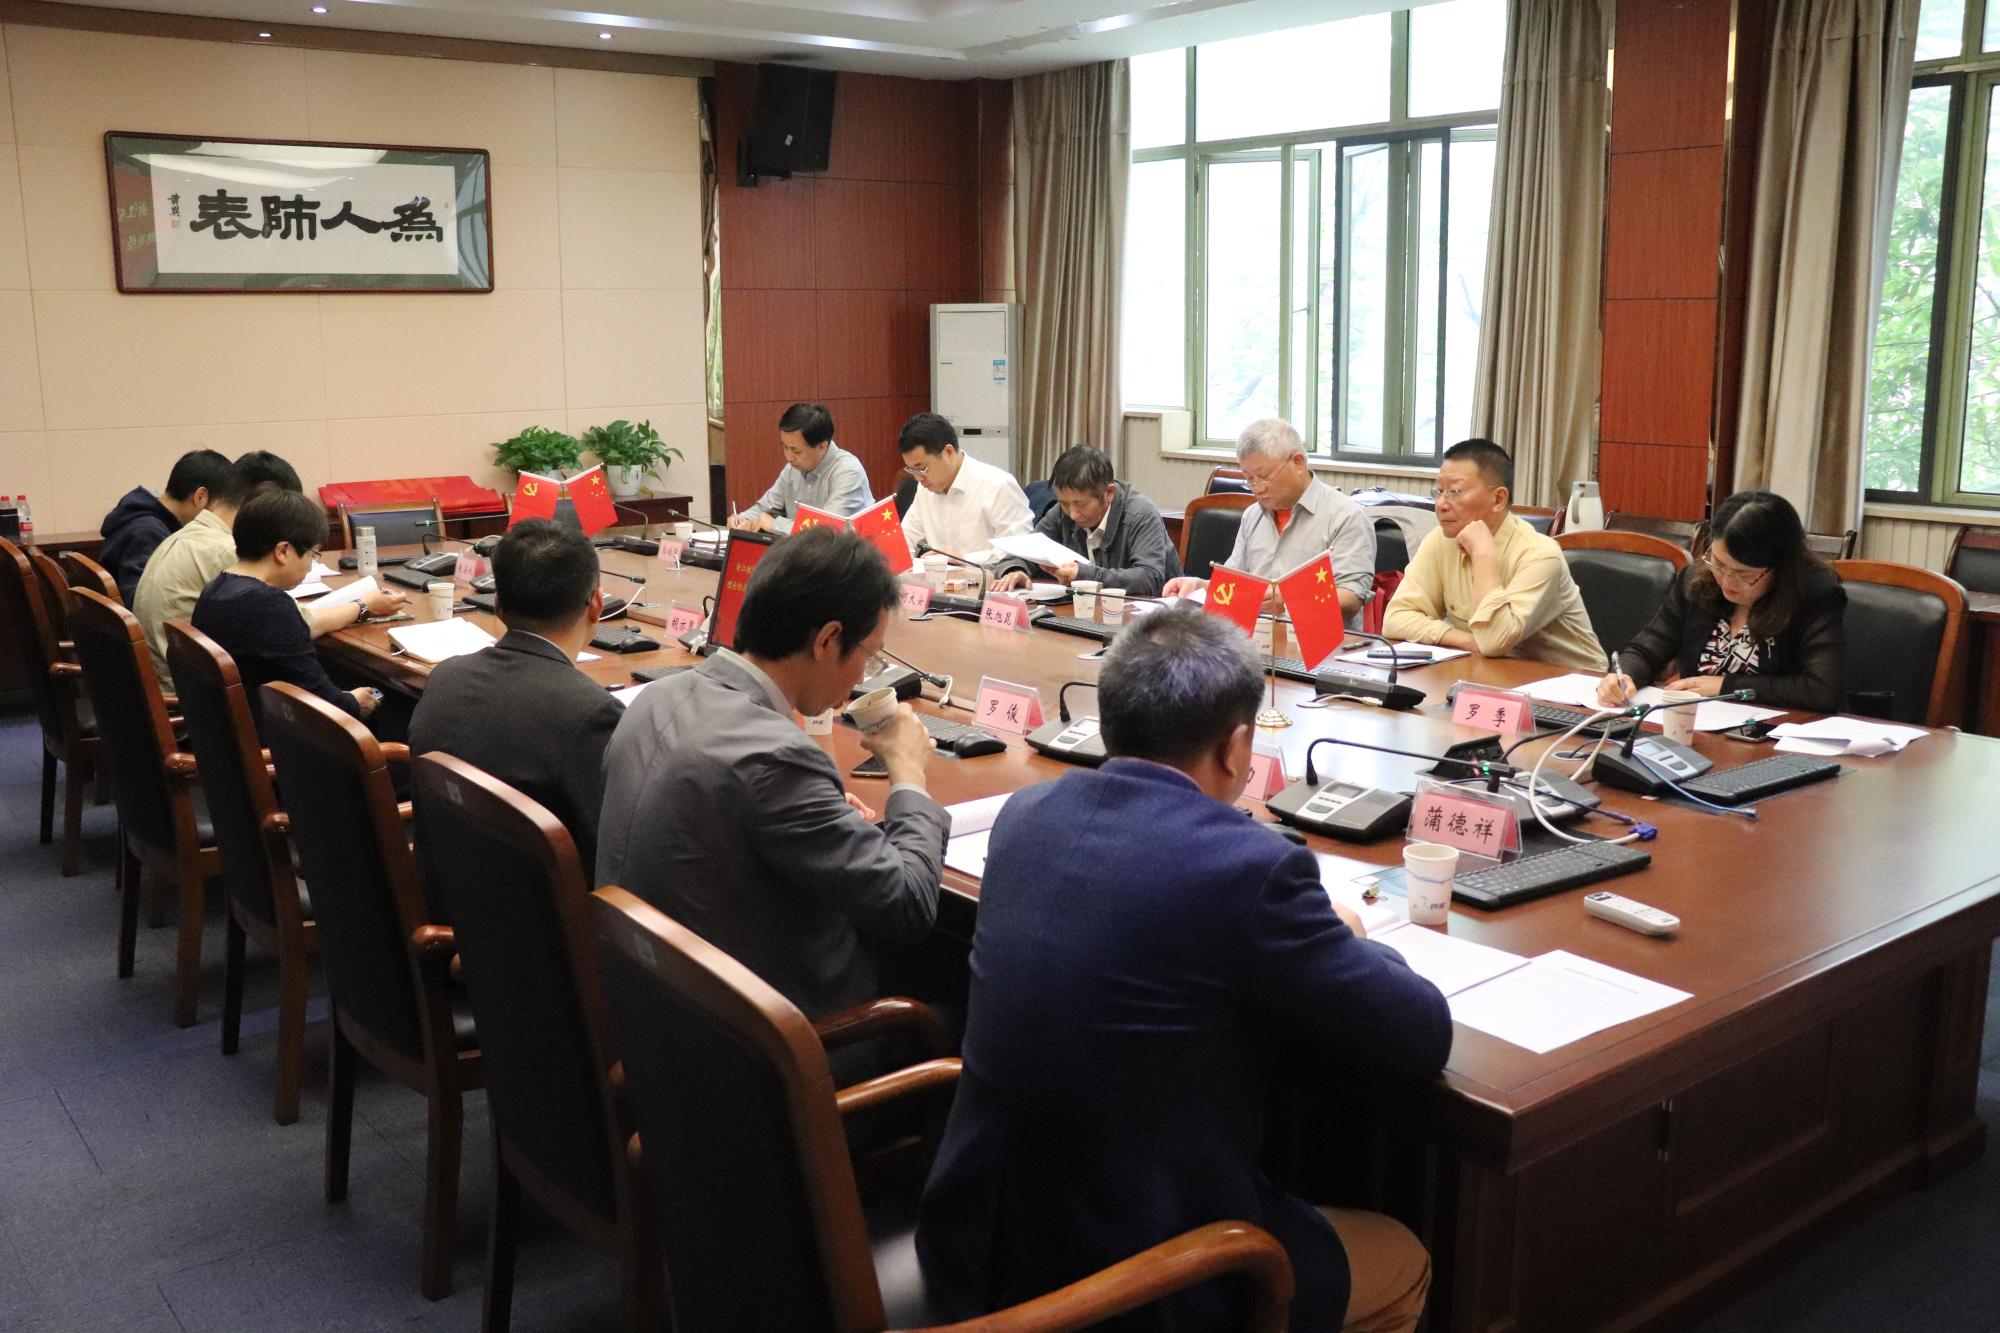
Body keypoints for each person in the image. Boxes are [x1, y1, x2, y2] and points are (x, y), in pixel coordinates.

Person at [916, 608, 1450, 1333]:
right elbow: (1419, 1034)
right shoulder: (1248, 868)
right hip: (1140, 1285)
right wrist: (1351, 937)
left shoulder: (1026, 814)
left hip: (975, 1240)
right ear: (1236, 747)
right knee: (1404, 1257)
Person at [597, 528, 948, 1022]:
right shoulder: (776, 758)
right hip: (772, 1044)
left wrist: (820, 810)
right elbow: (908, 905)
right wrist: (908, 775)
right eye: (869, 657)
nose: (861, 679)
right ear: (827, 640)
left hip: (652, 1015)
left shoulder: (654, 699)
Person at [409, 520, 625, 871]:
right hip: (548, 905)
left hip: (445, 890)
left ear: (497, 606)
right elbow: (611, 852)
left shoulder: (446, 677)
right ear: (597, 605)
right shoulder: (590, 714)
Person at [135, 457, 404, 692]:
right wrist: (364, 605)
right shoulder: (223, 550)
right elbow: (302, 625)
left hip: (193, 693)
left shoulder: (191, 535)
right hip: (193, 699)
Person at [1598, 489, 1845, 712]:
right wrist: (1624, 676)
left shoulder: (1815, 595)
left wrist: (1726, 686)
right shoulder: (1697, 580)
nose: (1726, 581)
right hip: (1696, 724)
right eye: (1718, 564)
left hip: (1772, 733)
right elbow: (1648, 648)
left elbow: (1821, 690)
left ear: (1780, 568)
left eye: (1742, 574)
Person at [1381, 439, 1606, 672]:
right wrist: (1466, 641)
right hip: (1492, 672)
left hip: (1573, 681)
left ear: (1498, 499)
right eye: (1439, 492)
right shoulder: (1441, 540)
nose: (1441, 504)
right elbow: (1396, 618)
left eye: (1455, 492)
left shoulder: (1540, 554)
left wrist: (1483, 554)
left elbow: (1493, 641)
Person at [189, 488, 381, 734]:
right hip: (275, 740)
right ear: (283, 551)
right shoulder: (268, 605)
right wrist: (354, 702)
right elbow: (321, 701)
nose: (310, 565)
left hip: (225, 733)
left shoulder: (215, 588)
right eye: (313, 554)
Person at [1163, 418, 1375, 626]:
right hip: (1256, 637)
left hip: (1321, 641)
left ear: (1298, 462)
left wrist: (1289, 598)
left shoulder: (1345, 516)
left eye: (1264, 476)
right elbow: (1235, 584)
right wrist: (1199, 586)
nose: (1257, 488)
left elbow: (1350, 597)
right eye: (1249, 479)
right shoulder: (1253, 515)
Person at [991, 445, 1181, 598]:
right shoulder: (1062, 513)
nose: (1073, 514)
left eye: (1081, 504)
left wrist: (1084, 575)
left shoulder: (1140, 514)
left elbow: (1149, 578)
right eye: (1064, 503)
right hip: (1088, 610)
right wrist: (1015, 571)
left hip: (1149, 616)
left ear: (1109, 492)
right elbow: (1027, 549)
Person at [896, 412, 1034, 568]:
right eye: (912, 470)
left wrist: (964, 559)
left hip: (991, 580)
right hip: (940, 581)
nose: (918, 478)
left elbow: (1021, 550)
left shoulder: (997, 485)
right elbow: (905, 539)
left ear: (948, 452)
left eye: (921, 468)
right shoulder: (924, 490)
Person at [98, 448, 233, 605]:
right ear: (200, 497)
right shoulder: (149, 533)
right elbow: (141, 603)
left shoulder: (140, 517)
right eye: (220, 507)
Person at [728, 402, 873, 533]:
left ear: (822, 446)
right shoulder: (792, 469)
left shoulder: (848, 472)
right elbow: (764, 508)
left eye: (796, 451)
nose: (789, 457)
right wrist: (745, 520)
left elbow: (827, 532)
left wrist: (776, 525)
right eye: (785, 447)